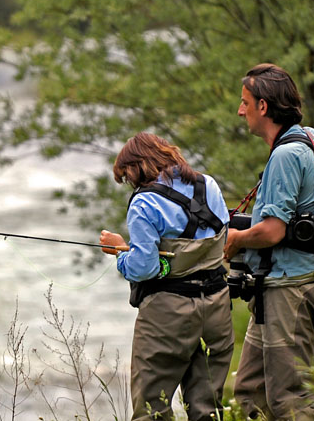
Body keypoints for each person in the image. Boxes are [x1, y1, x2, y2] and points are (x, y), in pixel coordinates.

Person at [223, 63, 314, 420]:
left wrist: (237, 238)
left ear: (263, 106)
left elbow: (272, 231)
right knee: (251, 392)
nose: (241, 111)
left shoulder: (287, 155)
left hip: (292, 289)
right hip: (278, 288)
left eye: (245, 103)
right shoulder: (308, 142)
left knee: (292, 400)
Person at [98, 132, 233, 421]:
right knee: (207, 408)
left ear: (137, 167)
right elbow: (223, 238)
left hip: (169, 314)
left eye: (127, 176)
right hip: (217, 305)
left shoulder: (144, 204)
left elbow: (144, 268)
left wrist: (120, 253)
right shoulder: (207, 184)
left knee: (151, 409)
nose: (130, 183)